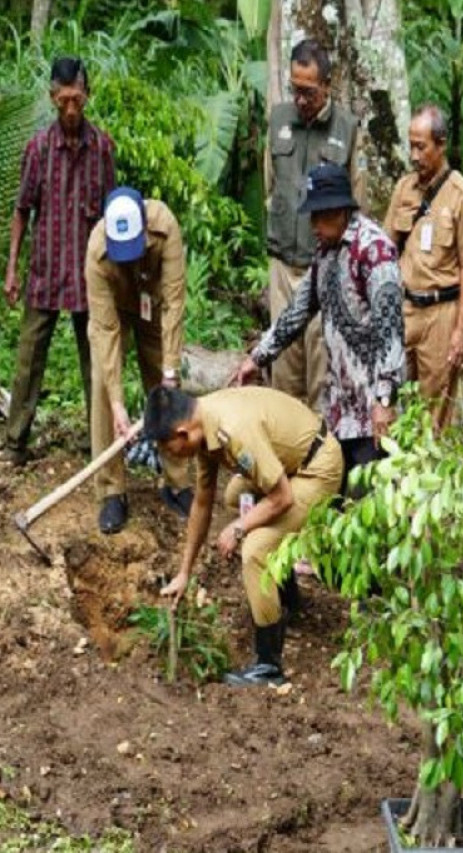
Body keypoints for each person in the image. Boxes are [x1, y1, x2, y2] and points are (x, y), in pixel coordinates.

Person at [143, 385, 344, 687]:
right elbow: (202, 501)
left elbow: (281, 498)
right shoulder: (204, 426)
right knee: (233, 495)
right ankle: (285, 597)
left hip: (316, 469)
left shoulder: (233, 430)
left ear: (183, 434)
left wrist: (238, 529)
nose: (169, 456)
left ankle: (269, 667)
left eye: (168, 448)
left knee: (254, 550)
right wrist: (184, 572)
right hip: (288, 464)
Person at [236, 162, 404, 487]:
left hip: (372, 413)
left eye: (319, 215)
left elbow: (391, 334)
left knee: (370, 504)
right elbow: (298, 311)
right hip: (340, 411)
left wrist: (385, 401)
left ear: (340, 210)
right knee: (338, 503)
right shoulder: (325, 252)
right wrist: (257, 357)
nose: (313, 225)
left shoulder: (374, 251)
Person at [2, 56, 115, 466]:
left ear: (87, 96)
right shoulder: (37, 149)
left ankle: (100, 442)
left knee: (97, 360)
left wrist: (118, 273)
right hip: (46, 271)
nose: (71, 109)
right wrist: (13, 268)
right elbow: (21, 210)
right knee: (29, 357)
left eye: (77, 100)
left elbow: (112, 215)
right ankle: (15, 444)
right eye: (64, 101)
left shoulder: (102, 147)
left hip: (90, 274)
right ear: (53, 97)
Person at [86, 186, 193, 534]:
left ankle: (177, 481)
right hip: (114, 310)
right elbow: (105, 330)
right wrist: (118, 404)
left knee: (167, 392)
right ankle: (111, 491)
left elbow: (175, 304)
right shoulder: (97, 251)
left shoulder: (165, 226)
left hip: (153, 305)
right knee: (104, 388)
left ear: (145, 229)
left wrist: (170, 372)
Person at [267, 38, 365, 413]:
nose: (301, 98)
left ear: (327, 85)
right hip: (282, 266)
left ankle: (320, 464)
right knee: (283, 372)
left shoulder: (347, 128)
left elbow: (357, 203)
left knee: (321, 375)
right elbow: (270, 184)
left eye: (308, 90)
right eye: (295, 89)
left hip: (325, 267)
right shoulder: (278, 119)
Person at [384, 104, 463, 427]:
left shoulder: (462, 194)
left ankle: (424, 474)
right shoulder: (404, 188)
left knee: (434, 411)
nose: (414, 154)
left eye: (421, 146)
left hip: (441, 315)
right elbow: (387, 249)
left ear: (440, 145)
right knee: (394, 399)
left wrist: (460, 331)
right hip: (405, 309)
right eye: (410, 145)